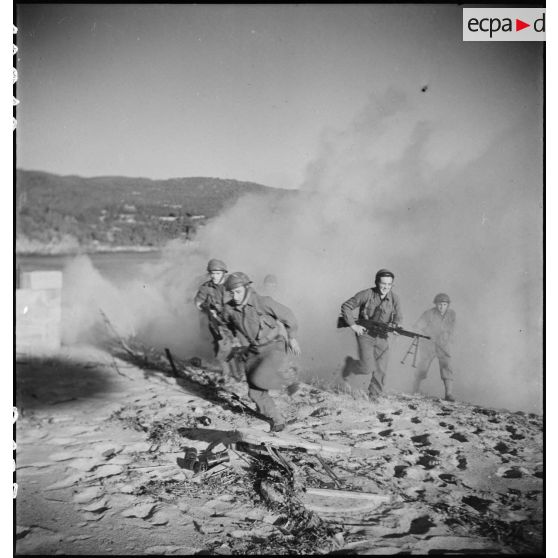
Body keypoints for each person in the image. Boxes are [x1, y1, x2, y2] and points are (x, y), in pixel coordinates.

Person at [222, 272, 301, 432]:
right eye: (231, 293)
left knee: (267, 370)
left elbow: (288, 316)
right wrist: (234, 339)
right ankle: (277, 420)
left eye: (238, 292)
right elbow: (225, 324)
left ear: (246, 288)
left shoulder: (262, 302)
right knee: (255, 392)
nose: (235, 296)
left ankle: (289, 377)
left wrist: (291, 337)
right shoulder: (230, 309)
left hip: (273, 345)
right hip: (254, 349)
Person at [340, 269, 403, 400]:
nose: (386, 287)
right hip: (365, 335)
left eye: (389, 284)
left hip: (382, 336)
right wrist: (353, 325)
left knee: (381, 368)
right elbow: (346, 306)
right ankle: (350, 365)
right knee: (367, 368)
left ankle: (374, 396)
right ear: (376, 282)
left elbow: (399, 317)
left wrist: (396, 326)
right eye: (383, 283)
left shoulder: (395, 298)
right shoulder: (366, 294)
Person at [194, 259, 241, 379]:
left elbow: (245, 296)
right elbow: (198, 303)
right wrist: (207, 309)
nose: (214, 276)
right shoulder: (206, 287)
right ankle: (227, 372)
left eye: (217, 273)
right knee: (221, 348)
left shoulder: (232, 283)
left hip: (235, 321)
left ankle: (238, 372)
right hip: (217, 323)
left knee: (238, 347)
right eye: (212, 273)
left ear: (224, 273)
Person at [412, 293, 456, 401]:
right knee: (423, 366)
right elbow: (417, 326)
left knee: (447, 367)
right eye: (439, 304)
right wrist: (426, 333)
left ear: (448, 305)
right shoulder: (429, 313)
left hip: (444, 345)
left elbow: (453, 328)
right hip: (429, 344)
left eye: (444, 304)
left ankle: (448, 394)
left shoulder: (451, 314)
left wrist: (447, 335)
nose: (442, 307)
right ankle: (415, 389)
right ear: (435, 304)